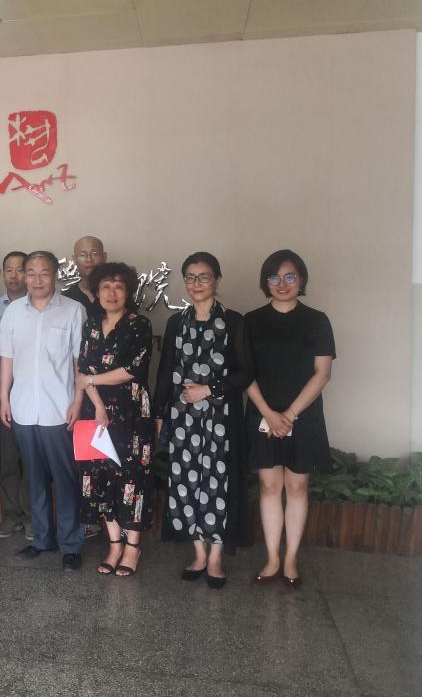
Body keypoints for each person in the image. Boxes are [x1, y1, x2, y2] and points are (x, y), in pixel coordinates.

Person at [154, 252, 253, 589]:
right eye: (191, 277)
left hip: (221, 418)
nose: (197, 283)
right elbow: (166, 371)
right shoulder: (176, 323)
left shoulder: (235, 322)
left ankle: (215, 558)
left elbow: (246, 372)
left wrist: (209, 389)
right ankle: (198, 553)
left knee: (218, 484)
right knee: (186, 481)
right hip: (183, 418)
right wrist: (159, 414)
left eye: (204, 276)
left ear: (217, 280)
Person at [245, 250, 335, 589]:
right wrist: (270, 414)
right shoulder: (252, 321)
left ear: (302, 280)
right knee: (269, 486)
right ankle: (272, 558)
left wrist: (290, 415)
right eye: (274, 277)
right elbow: (244, 372)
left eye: (289, 276)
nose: (281, 284)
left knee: (297, 486)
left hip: (304, 415)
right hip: (262, 413)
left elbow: (322, 373)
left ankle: (291, 557)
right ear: (265, 282)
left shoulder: (317, 320)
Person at [0, 251, 86, 570]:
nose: (36, 279)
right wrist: (4, 399)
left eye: (44, 273)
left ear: (55, 275)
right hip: (23, 407)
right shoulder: (13, 312)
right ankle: (42, 539)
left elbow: (80, 363)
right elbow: (6, 359)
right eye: (31, 273)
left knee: (65, 480)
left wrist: (77, 402)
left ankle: (71, 544)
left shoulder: (73, 311)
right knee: (33, 479)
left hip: (58, 409)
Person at [74, 262, 156, 577]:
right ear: (96, 292)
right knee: (100, 475)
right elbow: (82, 370)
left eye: (119, 287)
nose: (112, 293)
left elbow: (132, 369)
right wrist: (97, 406)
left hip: (132, 412)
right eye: (105, 287)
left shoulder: (139, 324)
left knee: (132, 477)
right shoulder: (91, 325)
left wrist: (93, 381)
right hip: (96, 413)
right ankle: (114, 545)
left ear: (128, 292)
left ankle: (132, 547)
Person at [0, 251, 32, 539]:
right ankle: (12, 514)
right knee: (8, 454)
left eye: (20, 269)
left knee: (33, 456)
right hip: (3, 388)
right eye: (8, 270)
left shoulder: (38, 307)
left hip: (32, 387)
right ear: (2, 274)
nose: (14, 275)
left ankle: (32, 516)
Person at [63, 235, 106, 320]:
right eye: (82, 255)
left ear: (104, 257)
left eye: (94, 254)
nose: (89, 259)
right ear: (74, 260)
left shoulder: (116, 294)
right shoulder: (67, 297)